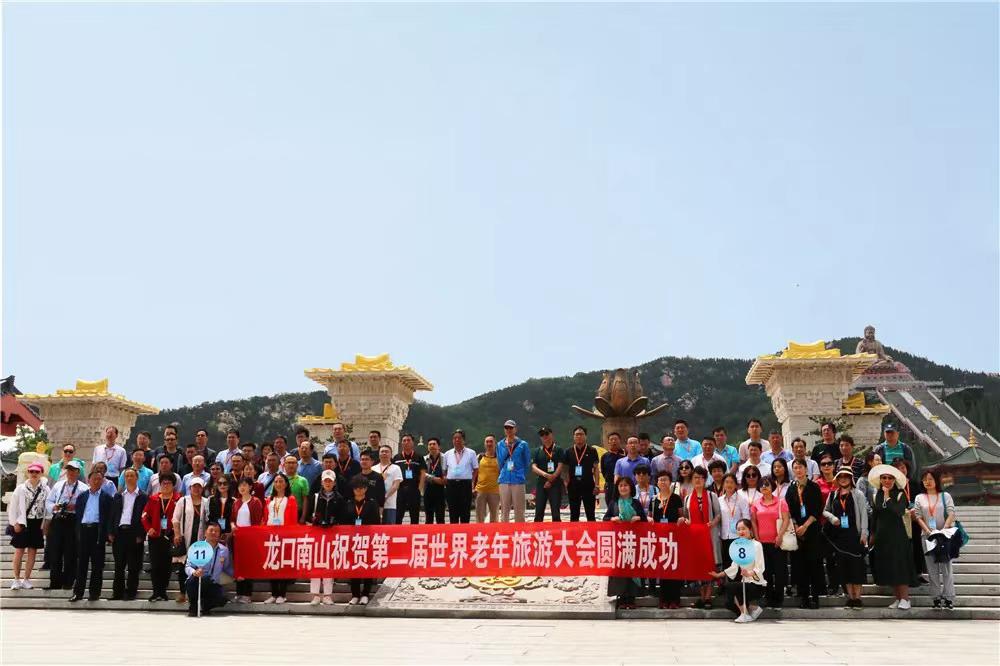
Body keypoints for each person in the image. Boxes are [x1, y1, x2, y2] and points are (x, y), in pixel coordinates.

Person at [869, 463, 914, 609]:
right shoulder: (876, 495)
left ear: (894, 480)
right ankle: (897, 598)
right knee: (889, 567)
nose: (887, 480)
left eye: (890, 478)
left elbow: (898, 511)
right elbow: (875, 516)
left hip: (898, 535)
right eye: (884, 478)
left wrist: (888, 497)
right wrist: (872, 535)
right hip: (883, 536)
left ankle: (905, 599)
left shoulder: (900, 494)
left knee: (900, 566)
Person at [822, 467, 869, 609]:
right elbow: (825, 511)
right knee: (843, 567)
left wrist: (864, 533)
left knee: (857, 567)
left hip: (855, 535)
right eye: (841, 476)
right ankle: (850, 597)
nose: (843, 479)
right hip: (839, 537)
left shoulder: (858, 494)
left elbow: (864, 514)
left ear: (851, 478)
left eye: (846, 476)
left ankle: (858, 598)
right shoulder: (833, 495)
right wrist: (832, 518)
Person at [913, 469, 957, 610]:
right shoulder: (919, 497)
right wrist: (928, 531)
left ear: (937, 480)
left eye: (930, 479)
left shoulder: (945, 495)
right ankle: (936, 598)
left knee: (946, 568)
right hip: (927, 537)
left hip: (944, 536)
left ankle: (949, 597)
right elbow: (918, 516)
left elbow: (951, 513)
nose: (927, 482)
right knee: (932, 568)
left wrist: (943, 530)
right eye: (925, 479)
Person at [707, 519, 765, 623]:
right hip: (744, 583)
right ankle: (751, 609)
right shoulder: (738, 546)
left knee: (732, 587)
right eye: (738, 529)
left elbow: (760, 567)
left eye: (743, 528)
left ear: (750, 530)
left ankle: (745, 614)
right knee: (728, 603)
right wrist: (718, 575)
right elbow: (733, 567)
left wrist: (749, 573)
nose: (741, 531)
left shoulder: (756, 545)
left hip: (755, 583)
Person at [603, 477, 647, 609]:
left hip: (633, 542)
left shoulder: (636, 503)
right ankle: (621, 598)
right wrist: (612, 518)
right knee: (620, 569)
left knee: (633, 568)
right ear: (617, 488)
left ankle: (631, 598)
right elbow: (605, 519)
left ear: (631, 487)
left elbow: (644, 519)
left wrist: (638, 518)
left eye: (626, 485)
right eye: (621, 485)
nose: (623, 488)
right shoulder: (614, 503)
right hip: (619, 542)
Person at [785, 458, 824, 609]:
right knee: (800, 566)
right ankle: (804, 597)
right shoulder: (791, 488)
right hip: (797, 532)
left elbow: (817, 509)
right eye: (795, 468)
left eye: (801, 467)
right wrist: (796, 526)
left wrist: (805, 526)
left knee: (814, 564)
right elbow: (789, 510)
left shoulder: (814, 487)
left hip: (812, 530)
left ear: (806, 469)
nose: (798, 470)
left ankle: (815, 597)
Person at [69, 470, 113, 602]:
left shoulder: (107, 497)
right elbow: (78, 515)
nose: (96, 481)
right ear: (89, 480)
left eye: (99, 479)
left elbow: (109, 518)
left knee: (97, 565)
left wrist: (107, 534)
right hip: (84, 530)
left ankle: (94, 593)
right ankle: (78, 593)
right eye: (94, 479)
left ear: (102, 481)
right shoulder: (82, 496)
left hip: (97, 531)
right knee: (81, 564)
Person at [44, 460, 87, 591]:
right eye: (69, 470)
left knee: (70, 552)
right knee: (55, 551)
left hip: (73, 520)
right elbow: (49, 501)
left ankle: (68, 581)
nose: (70, 473)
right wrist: (54, 507)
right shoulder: (58, 485)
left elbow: (86, 506)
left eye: (73, 470)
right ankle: (55, 582)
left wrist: (75, 507)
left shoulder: (84, 488)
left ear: (78, 472)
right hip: (58, 519)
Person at [683, 466, 721, 609]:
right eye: (695, 478)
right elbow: (685, 516)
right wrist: (687, 521)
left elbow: (718, 514)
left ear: (705, 480)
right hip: (695, 537)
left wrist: (713, 522)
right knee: (698, 567)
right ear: (691, 480)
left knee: (709, 565)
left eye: (701, 478)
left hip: (709, 536)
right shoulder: (687, 498)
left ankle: (708, 597)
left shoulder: (711, 496)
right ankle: (701, 596)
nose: (698, 480)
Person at [7, 462, 48, 590]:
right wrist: (14, 523)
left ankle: (26, 579)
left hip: (37, 522)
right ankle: (16, 579)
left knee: (32, 552)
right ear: (28, 473)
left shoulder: (46, 489)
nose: (34, 474)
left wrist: (46, 524)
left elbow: (48, 507)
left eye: (37, 472)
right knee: (19, 550)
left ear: (41, 473)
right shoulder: (21, 488)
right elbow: (13, 507)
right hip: (23, 522)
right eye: (31, 471)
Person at [751, 475, 789, 610]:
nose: (764, 487)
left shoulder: (781, 502)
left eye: (767, 484)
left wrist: (780, 536)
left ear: (772, 486)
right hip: (762, 543)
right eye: (761, 484)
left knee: (779, 572)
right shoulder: (756, 504)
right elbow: (753, 521)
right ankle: (768, 598)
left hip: (777, 542)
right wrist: (757, 538)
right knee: (766, 572)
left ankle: (778, 599)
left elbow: (786, 519)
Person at [140, 473, 181, 601]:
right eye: (164, 483)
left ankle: (163, 592)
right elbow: (144, 516)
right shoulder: (153, 499)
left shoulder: (179, 499)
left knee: (167, 566)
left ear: (173, 485)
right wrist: (149, 528)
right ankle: (156, 592)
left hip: (170, 537)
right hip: (155, 536)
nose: (166, 485)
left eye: (169, 483)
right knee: (155, 565)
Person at [341, 475, 381, 605]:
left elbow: (376, 522)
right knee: (354, 567)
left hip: (367, 539)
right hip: (352, 540)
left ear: (366, 488)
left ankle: (365, 594)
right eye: (356, 487)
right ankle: (355, 595)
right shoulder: (348, 503)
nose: (358, 490)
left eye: (361, 487)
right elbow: (344, 522)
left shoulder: (372, 503)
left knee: (367, 566)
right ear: (353, 489)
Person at [110, 467, 147, 600]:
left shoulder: (143, 496)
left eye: (132, 476)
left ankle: (131, 592)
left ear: (137, 478)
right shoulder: (118, 495)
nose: (129, 478)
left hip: (134, 534)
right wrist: (111, 532)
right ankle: (117, 593)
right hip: (119, 533)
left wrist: (141, 535)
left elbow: (145, 517)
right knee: (119, 565)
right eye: (127, 476)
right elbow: (113, 514)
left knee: (133, 566)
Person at [173, 476, 209, 603]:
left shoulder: (206, 502)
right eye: (194, 486)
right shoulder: (183, 501)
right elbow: (175, 519)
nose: (196, 489)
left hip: (200, 539)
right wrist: (177, 534)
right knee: (183, 566)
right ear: (190, 488)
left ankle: (194, 594)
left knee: (198, 566)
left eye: (199, 486)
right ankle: (183, 593)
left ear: (202, 488)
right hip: (185, 538)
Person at [184, 522, 233, 616]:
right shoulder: (197, 547)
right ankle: (193, 607)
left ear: (220, 534)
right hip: (197, 580)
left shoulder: (224, 550)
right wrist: (194, 572)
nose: (214, 533)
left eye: (217, 531)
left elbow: (227, 567)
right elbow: (188, 567)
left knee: (222, 598)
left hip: (212, 583)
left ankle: (205, 606)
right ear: (205, 533)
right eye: (211, 530)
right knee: (192, 582)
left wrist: (237, 575)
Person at [650, 471, 684, 608]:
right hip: (659, 539)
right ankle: (663, 599)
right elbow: (650, 516)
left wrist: (682, 519)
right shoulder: (654, 499)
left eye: (665, 479)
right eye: (660, 480)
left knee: (674, 568)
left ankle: (675, 599)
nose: (662, 482)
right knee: (662, 568)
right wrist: (649, 519)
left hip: (674, 538)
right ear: (657, 483)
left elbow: (681, 515)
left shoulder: (676, 498)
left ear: (670, 482)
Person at [309, 470, 343, 604]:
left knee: (329, 564)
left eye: (330, 481)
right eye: (325, 481)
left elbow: (342, 517)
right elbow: (308, 515)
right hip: (316, 535)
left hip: (332, 536)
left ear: (334, 483)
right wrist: (314, 521)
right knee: (315, 564)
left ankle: (328, 595)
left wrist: (334, 523)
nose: (328, 483)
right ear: (322, 482)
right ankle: (316, 595)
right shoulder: (315, 497)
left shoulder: (339, 498)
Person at [264, 474, 297, 603]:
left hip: (285, 536)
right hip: (271, 536)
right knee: (272, 564)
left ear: (286, 484)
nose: (278, 484)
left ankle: (282, 595)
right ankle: (274, 594)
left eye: (281, 481)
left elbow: (293, 519)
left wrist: (291, 535)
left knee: (283, 565)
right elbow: (265, 517)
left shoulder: (291, 499)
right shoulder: (269, 499)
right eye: (276, 481)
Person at [230, 477, 264, 603]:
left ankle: (247, 594)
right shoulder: (236, 502)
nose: (242, 488)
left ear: (250, 487)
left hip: (250, 539)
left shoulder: (255, 502)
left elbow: (257, 521)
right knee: (238, 566)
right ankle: (239, 593)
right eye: (240, 485)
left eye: (245, 485)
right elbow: (232, 519)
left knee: (248, 566)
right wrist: (232, 526)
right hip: (237, 539)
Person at [497, 420, 531, 522]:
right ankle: (504, 531)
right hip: (504, 480)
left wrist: (520, 473)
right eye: (506, 428)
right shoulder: (500, 444)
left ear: (515, 429)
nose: (508, 430)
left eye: (511, 428)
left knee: (519, 511)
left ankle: (520, 531)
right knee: (504, 511)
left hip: (518, 480)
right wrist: (504, 473)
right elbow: (500, 462)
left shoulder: (523, 444)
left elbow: (527, 462)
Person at [816, 452, 840, 595]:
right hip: (823, 524)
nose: (826, 466)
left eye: (829, 464)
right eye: (823, 464)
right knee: (826, 556)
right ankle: (827, 585)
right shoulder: (817, 484)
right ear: (820, 467)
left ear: (833, 466)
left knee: (837, 557)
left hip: (839, 524)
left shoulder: (840, 480)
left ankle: (837, 584)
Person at [565, 426, 601, 522]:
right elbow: (565, 469)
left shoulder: (592, 450)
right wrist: (566, 483)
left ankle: (592, 531)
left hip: (588, 484)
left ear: (586, 436)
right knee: (574, 514)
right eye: (577, 434)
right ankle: (574, 532)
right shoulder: (568, 451)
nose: (579, 436)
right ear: (573, 436)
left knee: (590, 514)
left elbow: (596, 469)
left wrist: (597, 485)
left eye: (581, 434)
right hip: (573, 485)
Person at [444, 430, 479, 523]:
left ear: (464, 440)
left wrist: (472, 482)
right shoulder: (447, 454)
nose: (457, 440)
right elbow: (445, 470)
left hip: (465, 484)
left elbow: (476, 469)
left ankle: (465, 530)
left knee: (465, 511)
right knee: (452, 511)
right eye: (455, 438)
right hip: (451, 485)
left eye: (459, 438)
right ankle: (454, 530)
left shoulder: (471, 453)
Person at [717, 473, 750, 570]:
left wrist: (745, 536)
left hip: (738, 537)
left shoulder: (742, 499)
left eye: (731, 482)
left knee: (738, 566)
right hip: (724, 537)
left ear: (736, 485)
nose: (729, 485)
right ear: (723, 484)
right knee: (727, 565)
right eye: (726, 482)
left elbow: (746, 518)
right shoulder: (719, 500)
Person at [532, 426, 564, 522]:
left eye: (546, 434)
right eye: (542, 435)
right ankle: (538, 531)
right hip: (541, 483)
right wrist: (546, 475)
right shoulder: (537, 451)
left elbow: (560, 466)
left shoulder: (558, 449)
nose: (544, 436)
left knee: (556, 513)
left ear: (551, 435)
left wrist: (552, 478)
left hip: (555, 483)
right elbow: (534, 467)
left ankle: (557, 531)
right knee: (538, 512)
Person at [393, 433, 427, 524]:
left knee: (414, 516)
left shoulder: (419, 457)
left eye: (408, 440)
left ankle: (414, 532)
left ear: (413, 443)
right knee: (398, 516)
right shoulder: (396, 457)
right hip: (400, 490)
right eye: (404, 440)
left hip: (414, 489)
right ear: (401, 443)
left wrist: (420, 489)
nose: (406, 442)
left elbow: (423, 473)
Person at [374, 445, 403, 524]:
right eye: (382, 451)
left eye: (386, 452)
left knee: (389, 528)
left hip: (390, 504)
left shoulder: (396, 468)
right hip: (375, 505)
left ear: (391, 454)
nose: (384, 453)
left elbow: (396, 485)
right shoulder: (373, 468)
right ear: (379, 454)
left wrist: (385, 497)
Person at [475, 435, 501, 523]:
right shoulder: (479, 457)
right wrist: (473, 487)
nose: (489, 444)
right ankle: (479, 531)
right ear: (484, 444)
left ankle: (494, 532)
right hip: (480, 490)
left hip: (495, 491)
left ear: (495, 443)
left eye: (491, 441)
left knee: (494, 517)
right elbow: (474, 473)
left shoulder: (499, 458)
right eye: (487, 442)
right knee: (479, 517)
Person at [423, 437, 447, 524]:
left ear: (439, 446)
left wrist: (443, 480)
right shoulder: (424, 459)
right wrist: (434, 479)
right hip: (428, 490)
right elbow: (422, 474)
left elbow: (447, 474)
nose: (432, 446)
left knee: (440, 517)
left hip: (441, 490)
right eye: (430, 444)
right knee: (428, 518)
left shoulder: (445, 458)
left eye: (434, 444)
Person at [281, 456, 311, 523]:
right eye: (289, 463)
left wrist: (303, 517)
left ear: (297, 465)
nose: (291, 465)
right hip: (281, 512)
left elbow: (305, 500)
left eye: (293, 463)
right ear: (284, 465)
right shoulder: (279, 479)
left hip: (298, 513)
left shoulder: (303, 480)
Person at [599, 432, 625, 505]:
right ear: (608, 442)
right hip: (610, 485)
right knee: (611, 506)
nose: (614, 441)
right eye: (611, 439)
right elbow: (603, 471)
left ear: (620, 441)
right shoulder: (604, 456)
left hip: (623, 484)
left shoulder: (624, 456)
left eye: (616, 439)